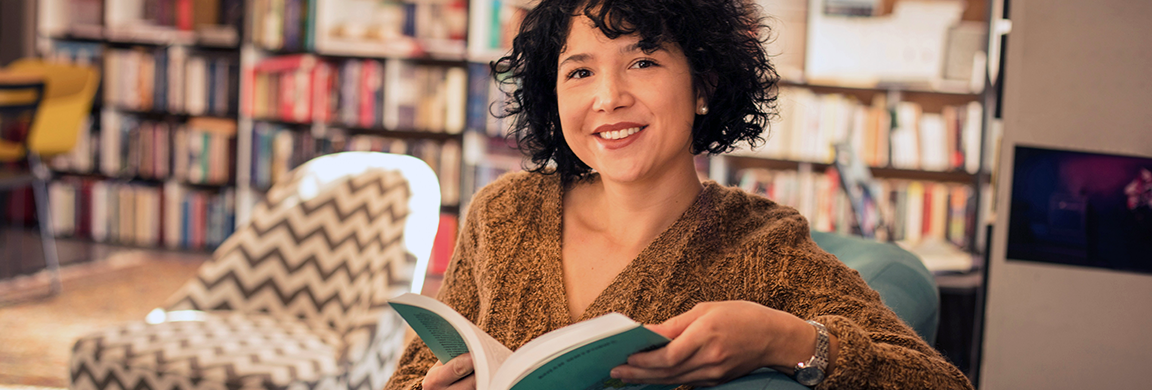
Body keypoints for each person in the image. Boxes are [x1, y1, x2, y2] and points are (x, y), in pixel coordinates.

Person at [386, 0, 974, 389]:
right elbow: (409, 377)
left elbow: (936, 381)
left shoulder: (761, 245)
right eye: (580, 72)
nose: (608, 97)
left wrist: (782, 339)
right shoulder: (504, 212)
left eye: (642, 61)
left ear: (703, 87)